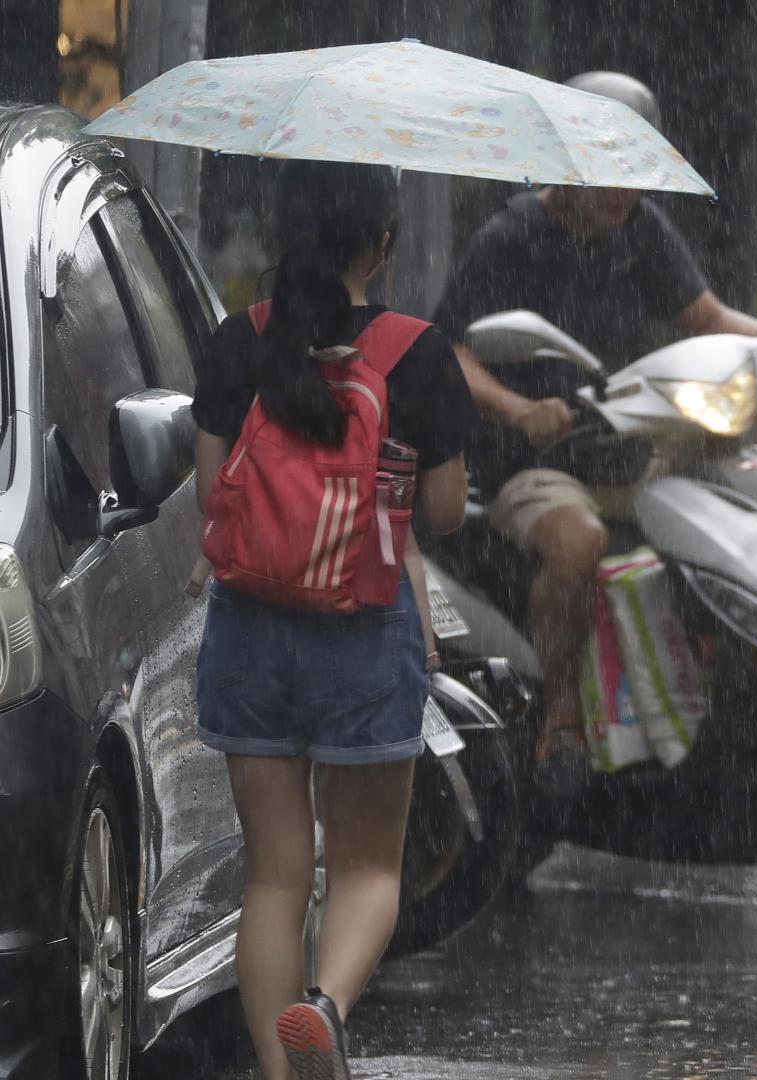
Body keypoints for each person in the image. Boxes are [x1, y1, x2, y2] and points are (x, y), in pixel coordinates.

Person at [192, 159, 476, 1080]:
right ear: (380, 245)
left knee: (275, 873)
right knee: (366, 871)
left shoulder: (238, 343)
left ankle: (280, 1074)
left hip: (251, 632)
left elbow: (210, 496)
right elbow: (442, 515)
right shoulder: (418, 351)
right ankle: (324, 1008)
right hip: (363, 632)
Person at [432, 70, 757, 791]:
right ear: (564, 157)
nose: (623, 189)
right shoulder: (512, 236)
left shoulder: (639, 229)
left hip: (632, 447)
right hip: (539, 461)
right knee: (577, 544)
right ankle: (560, 711)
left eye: (635, 169)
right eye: (608, 168)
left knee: (739, 509)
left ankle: (741, 703)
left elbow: (710, 318)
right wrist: (518, 409)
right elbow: (453, 351)